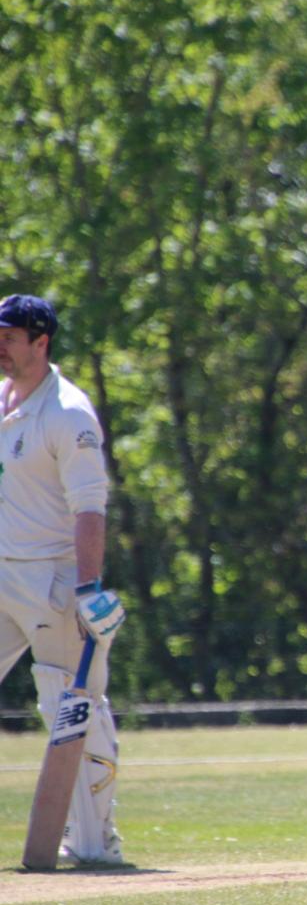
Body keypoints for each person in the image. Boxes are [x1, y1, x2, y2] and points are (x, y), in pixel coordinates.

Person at [0, 293, 127, 865]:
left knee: (73, 704)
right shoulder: (2, 402)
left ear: (40, 340)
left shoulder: (68, 414)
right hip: (2, 573)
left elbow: (90, 509)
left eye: (8, 336)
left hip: (53, 581)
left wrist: (89, 588)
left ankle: (96, 843)